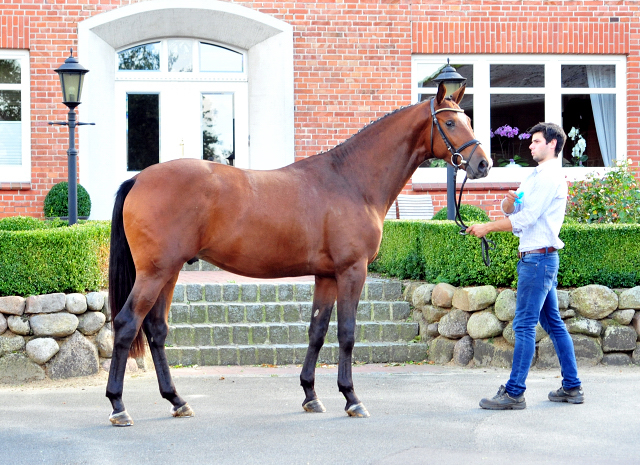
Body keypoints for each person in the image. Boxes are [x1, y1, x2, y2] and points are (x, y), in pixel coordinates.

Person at [466, 122, 583, 410]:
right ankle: (572, 387)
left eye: (537, 141)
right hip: (537, 258)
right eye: (531, 141)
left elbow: (527, 219)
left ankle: (514, 392)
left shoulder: (548, 177)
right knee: (552, 323)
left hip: (538, 260)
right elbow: (516, 211)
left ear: (553, 144)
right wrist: (508, 204)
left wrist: (488, 227)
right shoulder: (534, 176)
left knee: (525, 325)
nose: (531, 145)